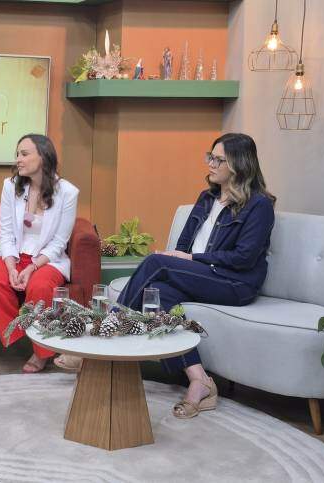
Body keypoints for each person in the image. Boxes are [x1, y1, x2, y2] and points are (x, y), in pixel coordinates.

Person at [117, 132, 276, 418]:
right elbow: (183, 245)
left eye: (219, 160)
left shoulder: (259, 205)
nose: (210, 164)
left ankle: (106, 333)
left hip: (234, 283)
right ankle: (200, 380)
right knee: (157, 294)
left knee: (156, 262)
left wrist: (189, 259)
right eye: (210, 157)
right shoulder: (207, 198)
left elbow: (244, 258)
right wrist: (181, 258)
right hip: (202, 275)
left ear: (239, 165)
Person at [0, 134, 79, 373]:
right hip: (13, 253)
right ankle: (24, 335)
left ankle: (42, 352)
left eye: (24, 154)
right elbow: (5, 232)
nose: (18, 160)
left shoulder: (67, 192)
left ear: (42, 157)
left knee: (40, 288)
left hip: (46, 259)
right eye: (17, 154)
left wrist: (33, 267)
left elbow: (59, 242)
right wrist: (11, 266)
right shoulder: (10, 185)